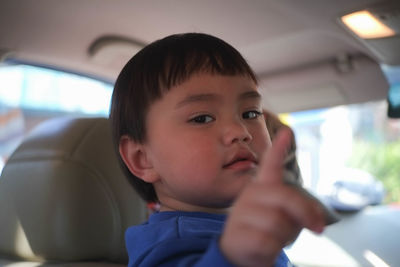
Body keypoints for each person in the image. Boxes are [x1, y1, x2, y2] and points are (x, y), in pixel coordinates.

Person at [110, 33, 326, 267]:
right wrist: (235, 257)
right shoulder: (169, 247)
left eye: (251, 113)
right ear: (143, 159)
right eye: (202, 118)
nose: (240, 130)